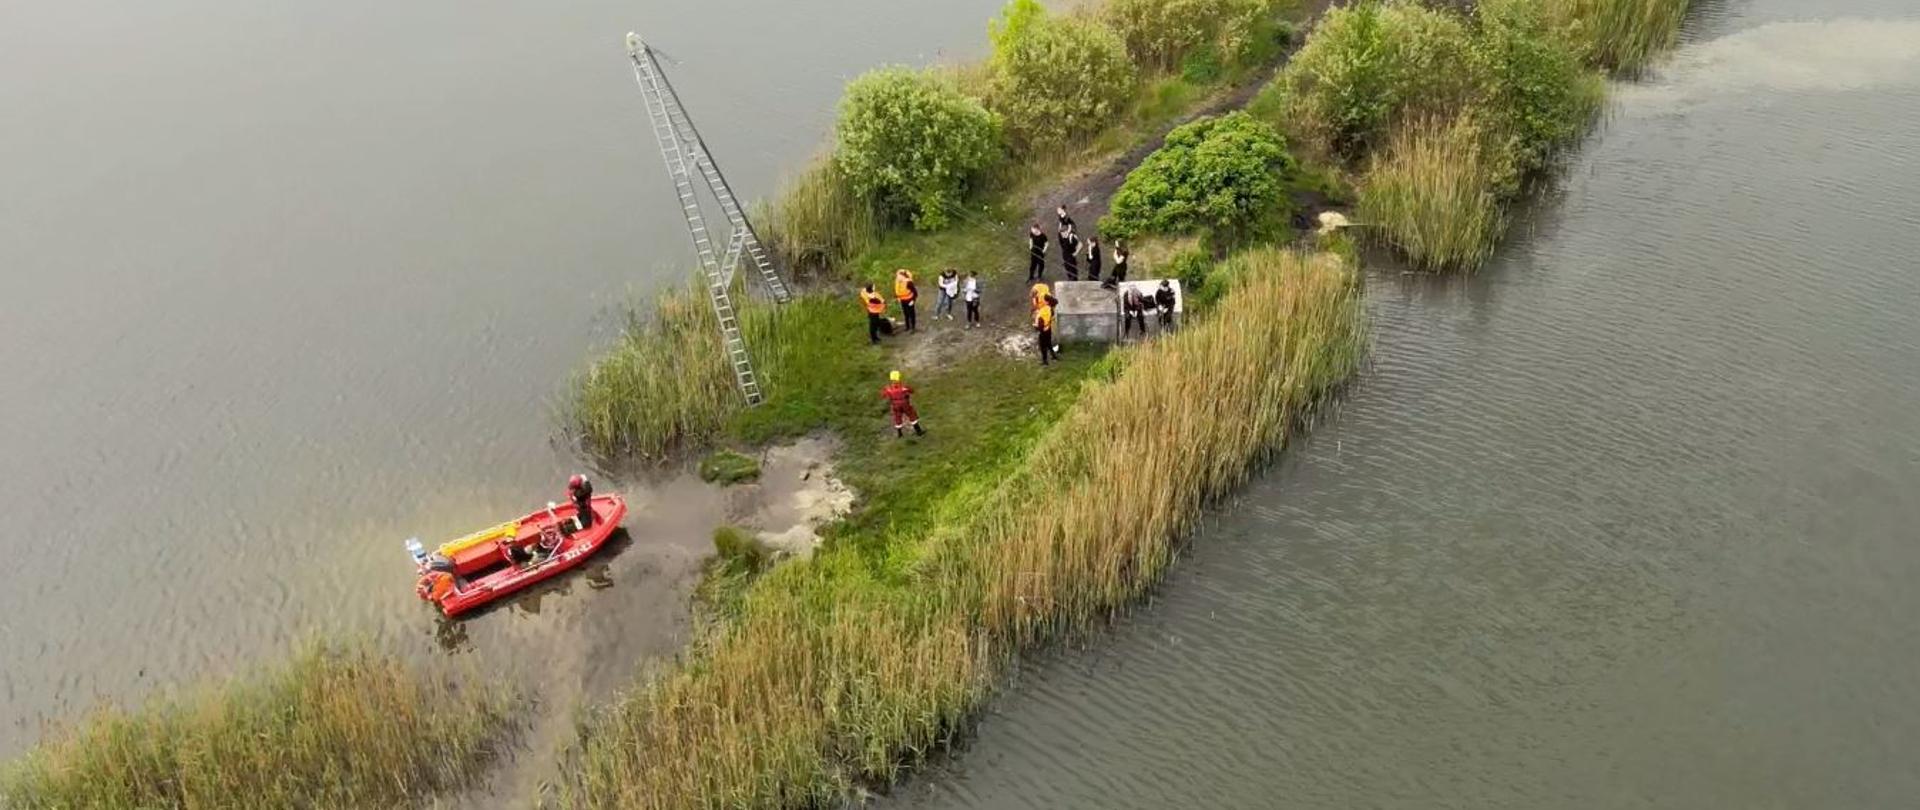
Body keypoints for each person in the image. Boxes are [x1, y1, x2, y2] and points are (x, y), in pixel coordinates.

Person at [880, 370, 924, 437]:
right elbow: (911, 391)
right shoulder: (903, 386)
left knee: (897, 417)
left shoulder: (888, 388)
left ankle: (900, 434)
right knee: (911, 415)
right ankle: (919, 431)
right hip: (905, 404)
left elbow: (883, 395)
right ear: (899, 377)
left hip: (895, 405)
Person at [1034, 295, 1056, 366]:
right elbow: (1052, 316)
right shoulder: (1049, 308)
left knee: (1043, 346)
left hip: (1043, 331)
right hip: (1048, 329)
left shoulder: (1041, 313)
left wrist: (1035, 326)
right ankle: (1054, 356)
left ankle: (1045, 361)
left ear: (1046, 302)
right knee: (1049, 343)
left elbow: (1040, 326)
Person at [894, 269, 919, 333]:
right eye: (897, 277)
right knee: (906, 313)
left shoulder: (909, 283)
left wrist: (913, 300)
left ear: (903, 276)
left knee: (912, 314)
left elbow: (915, 293)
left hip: (910, 300)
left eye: (899, 277)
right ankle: (907, 326)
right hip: (903, 300)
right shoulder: (898, 282)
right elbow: (897, 292)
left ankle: (913, 327)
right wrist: (898, 298)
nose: (898, 278)